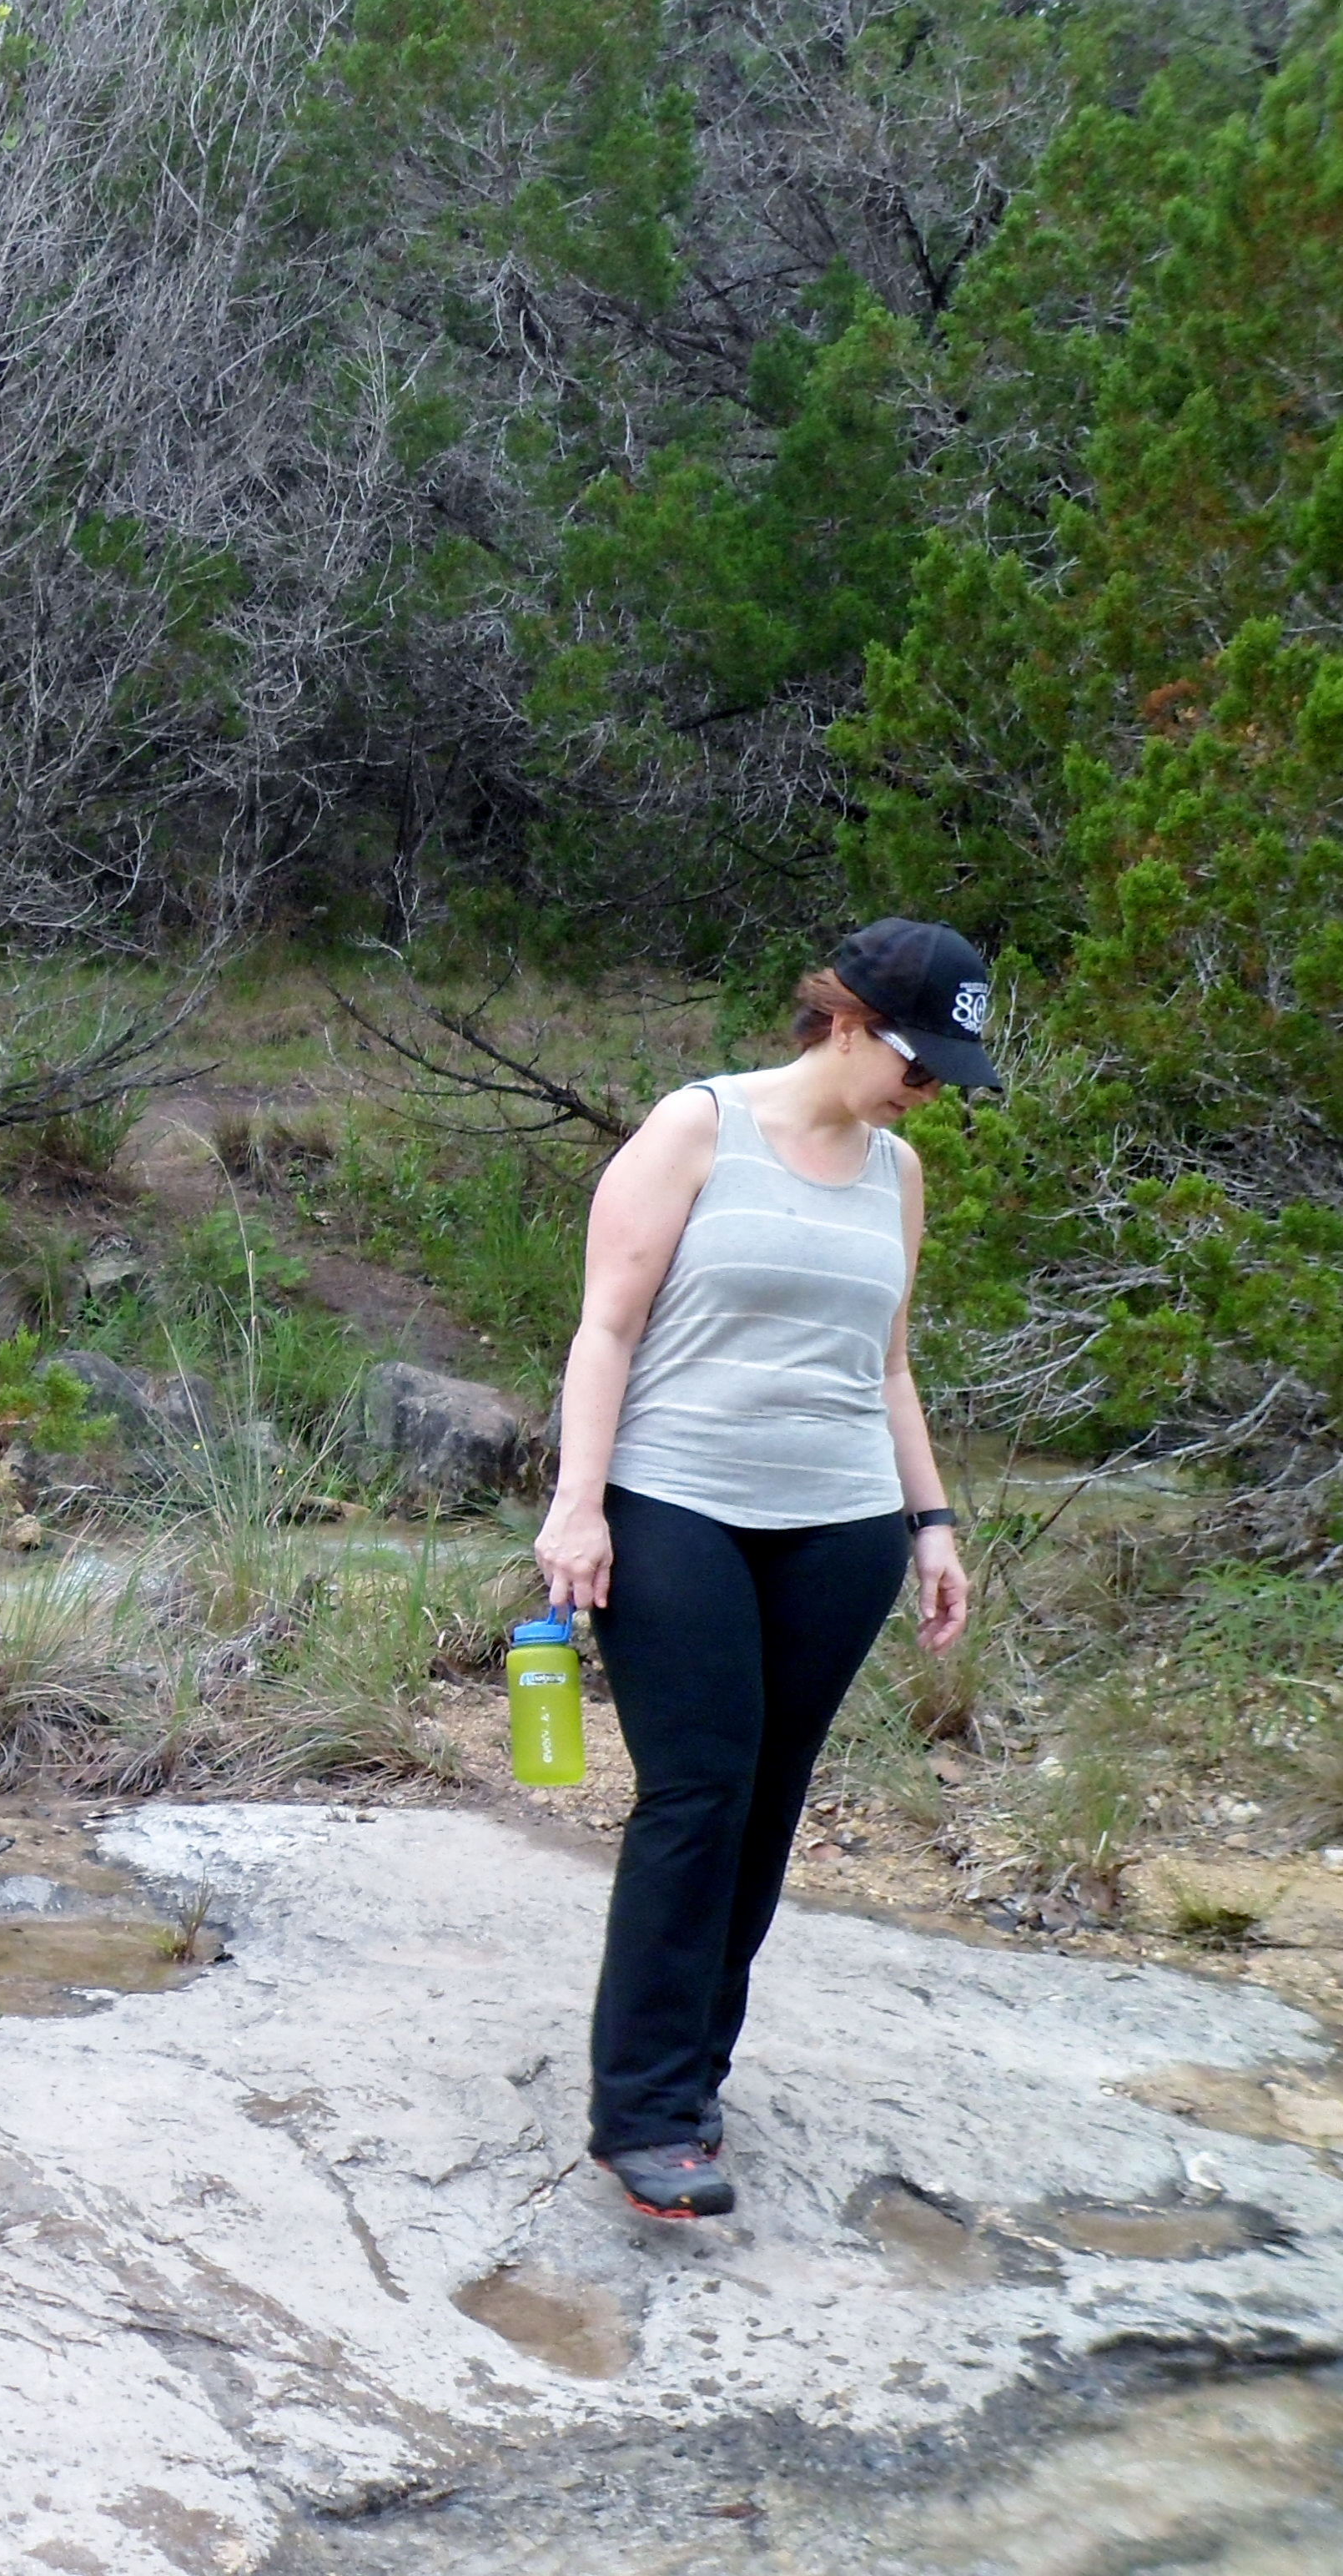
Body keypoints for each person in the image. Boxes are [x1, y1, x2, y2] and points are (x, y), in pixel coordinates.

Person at [534, 918, 994, 2221]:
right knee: (697, 1793)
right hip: (676, 1503)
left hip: (840, 1525)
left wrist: (931, 1522)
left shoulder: (898, 1172)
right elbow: (606, 1329)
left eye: (949, 1072)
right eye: (917, 1060)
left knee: (767, 1804)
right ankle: (641, 2113)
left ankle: (695, 2076)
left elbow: (887, 1364)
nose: (928, 1090)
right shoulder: (699, 1129)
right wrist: (578, 1506)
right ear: (846, 1020)